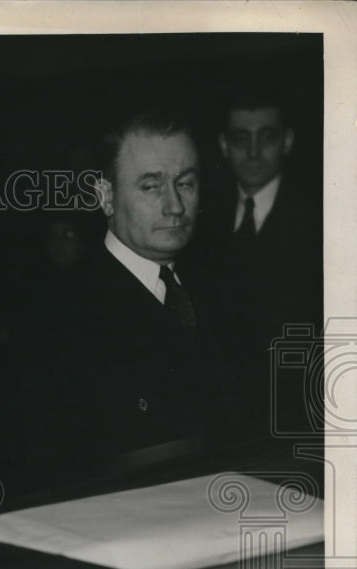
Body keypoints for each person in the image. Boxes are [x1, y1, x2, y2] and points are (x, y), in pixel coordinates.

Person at [26, 111, 237, 480]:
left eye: (185, 183)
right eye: (151, 186)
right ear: (106, 196)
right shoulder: (57, 314)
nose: (174, 206)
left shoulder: (221, 289)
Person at [209, 88, 322, 432]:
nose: (254, 153)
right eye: (241, 138)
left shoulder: (322, 219)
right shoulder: (200, 218)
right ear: (224, 145)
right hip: (221, 415)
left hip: (296, 415)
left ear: (287, 141)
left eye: (267, 137)